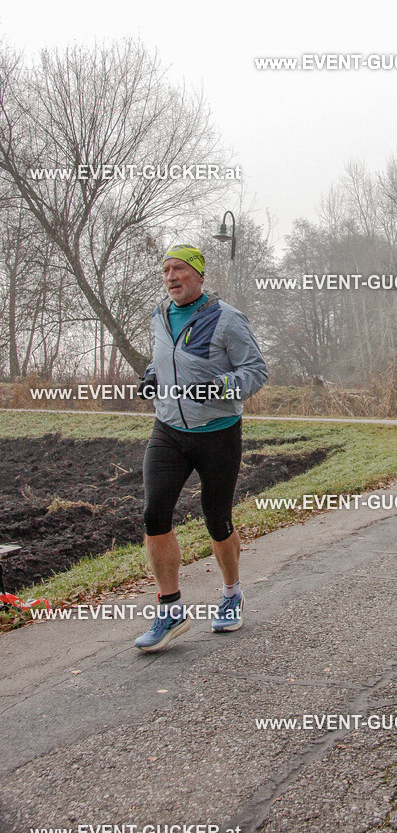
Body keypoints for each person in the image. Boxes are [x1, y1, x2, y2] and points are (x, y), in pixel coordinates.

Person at [134, 244, 268, 651]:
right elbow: (163, 359)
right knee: (154, 513)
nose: (171, 277)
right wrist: (151, 376)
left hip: (217, 431)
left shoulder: (227, 319)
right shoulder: (159, 314)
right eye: (166, 270)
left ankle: (231, 594)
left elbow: (256, 370)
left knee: (216, 517)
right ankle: (171, 609)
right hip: (168, 430)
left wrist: (220, 386)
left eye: (180, 269)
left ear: (199, 275)